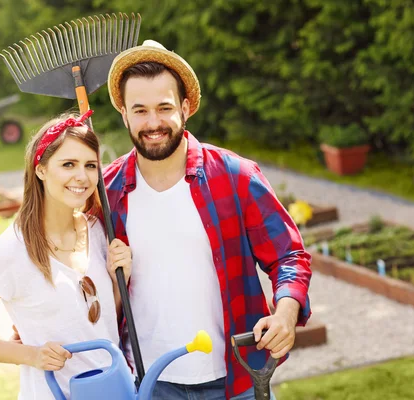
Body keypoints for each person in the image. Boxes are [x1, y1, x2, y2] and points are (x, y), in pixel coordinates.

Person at [101, 40, 313, 400]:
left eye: (164, 107)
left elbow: (288, 256)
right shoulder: (107, 191)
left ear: (185, 107)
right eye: (140, 110)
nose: (153, 123)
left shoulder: (235, 176)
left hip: (237, 380)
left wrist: (286, 314)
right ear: (123, 113)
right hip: (151, 385)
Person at [0, 110, 133, 400]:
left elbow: (102, 325)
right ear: (41, 169)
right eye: (68, 164)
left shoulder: (98, 231)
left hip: (114, 392)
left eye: (90, 165)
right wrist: (30, 354)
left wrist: (118, 279)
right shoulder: (10, 251)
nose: (81, 176)